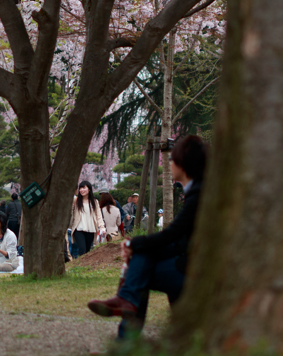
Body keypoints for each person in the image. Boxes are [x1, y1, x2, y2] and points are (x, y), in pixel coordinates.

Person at [87, 135, 207, 338]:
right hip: (187, 260)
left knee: (139, 274)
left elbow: (175, 234)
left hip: (193, 268)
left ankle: (125, 331)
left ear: (183, 164)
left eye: (172, 159)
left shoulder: (198, 193)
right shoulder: (197, 191)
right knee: (141, 262)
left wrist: (135, 243)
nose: (169, 164)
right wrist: (140, 246)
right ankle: (125, 304)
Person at [69, 181, 105, 258]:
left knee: (88, 250)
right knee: (82, 249)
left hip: (90, 228)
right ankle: (79, 267)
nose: (82, 190)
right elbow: (70, 213)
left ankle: (84, 268)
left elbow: (99, 216)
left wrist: (102, 227)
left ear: (89, 189)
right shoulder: (76, 201)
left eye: (84, 188)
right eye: (80, 188)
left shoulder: (94, 202)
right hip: (78, 228)